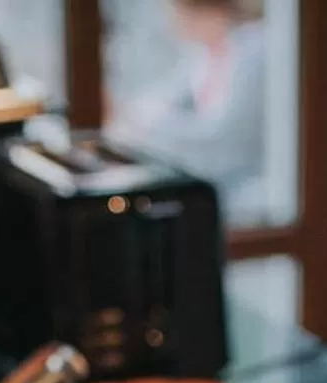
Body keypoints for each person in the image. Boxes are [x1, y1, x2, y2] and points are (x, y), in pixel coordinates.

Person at [105, 0, 268, 222]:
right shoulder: (208, 53)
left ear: (207, 11)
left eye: (179, 14)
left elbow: (218, 136)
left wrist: (142, 125)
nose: (173, 24)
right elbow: (158, 100)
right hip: (215, 178)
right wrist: (134, 118)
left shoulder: (254, 52)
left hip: (247, 190)